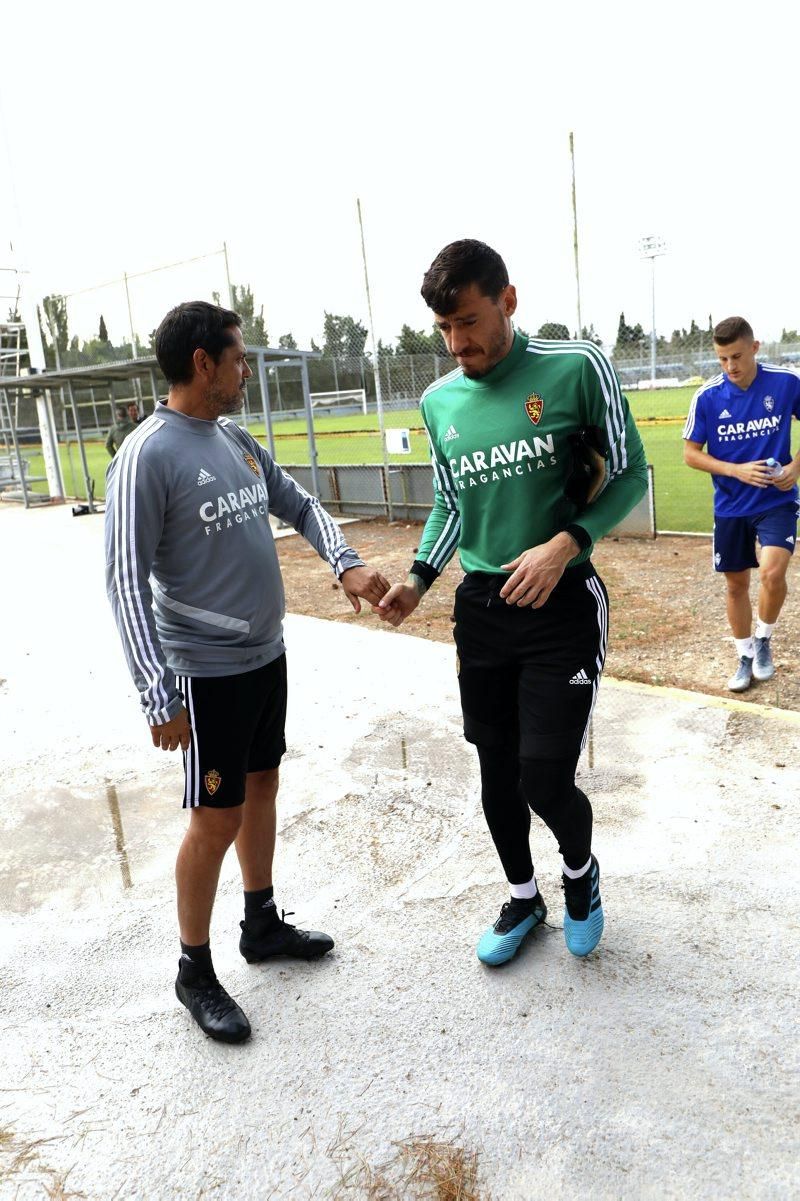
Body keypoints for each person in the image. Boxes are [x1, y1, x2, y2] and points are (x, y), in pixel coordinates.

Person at [105, 300, 389, 1043]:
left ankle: (260, 924)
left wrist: (347, 562)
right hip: (206, 674)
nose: (245, 370)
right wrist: (157, 692)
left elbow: (295, 500)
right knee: (215, 815)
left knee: (264, 782)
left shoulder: (232, 438)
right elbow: (124, 581)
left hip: (267, 656)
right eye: (237, 357)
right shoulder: (147, 455)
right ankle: (193, 970)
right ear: (203, 362)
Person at [376, 239, 648, 965]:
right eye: (444, 330)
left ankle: (580, 877)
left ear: (508, 300)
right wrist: (417, 580)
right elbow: (450, 503)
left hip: (561, 605)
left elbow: (629, 474)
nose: (457, 343)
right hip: (483, 611)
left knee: (543, 777)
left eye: (467, 321)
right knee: (495, 772)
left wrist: (567, 543)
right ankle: (524, 897)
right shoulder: (439, 402)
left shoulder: (575, 368)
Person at [683, 316, 800, 692]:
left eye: (736, 356)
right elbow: (690, 454)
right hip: (731, 507)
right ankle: (745, 654)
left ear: (754, 348)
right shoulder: (707, 397)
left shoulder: (785, 382)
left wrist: (796, 467)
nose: (730, 366)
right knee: (736, 586)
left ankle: (764, 639)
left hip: (776, 500)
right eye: (722, 359)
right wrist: (735, 471)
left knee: (772, 573)